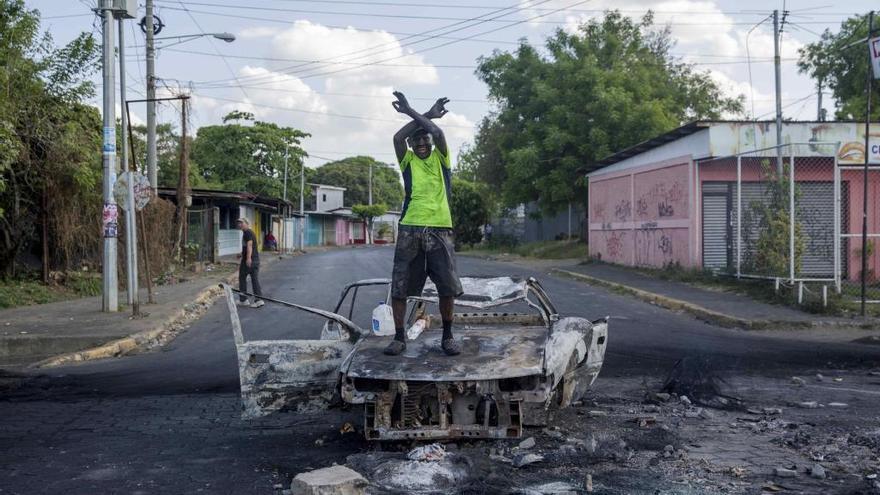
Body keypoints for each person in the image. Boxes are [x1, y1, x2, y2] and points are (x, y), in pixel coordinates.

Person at [384, 91, 462, 357]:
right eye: (416, 140)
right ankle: (398, 337)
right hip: (410, 229)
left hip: (440, 228)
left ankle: (448, 336)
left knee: (447, 286)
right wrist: (418, 113)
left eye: (424, 139)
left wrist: (423, 116)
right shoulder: (408, 161)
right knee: (401, 285)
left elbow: (438, 133)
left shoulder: (442, 159)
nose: (420, 143)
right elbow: (397, 138)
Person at [236, 218, 264, 308]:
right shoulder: (248, 233)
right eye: (239, 223)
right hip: (255, 260)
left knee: (242, 277)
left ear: (247, 223)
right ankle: (259, 300)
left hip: (249, 261)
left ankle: (243, 300)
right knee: (254, 279)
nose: (239, 224)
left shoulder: (247, 233)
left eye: (241, 223)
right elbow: (247, 246)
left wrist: (248, 258)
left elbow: (250, 245)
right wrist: (241, 254)